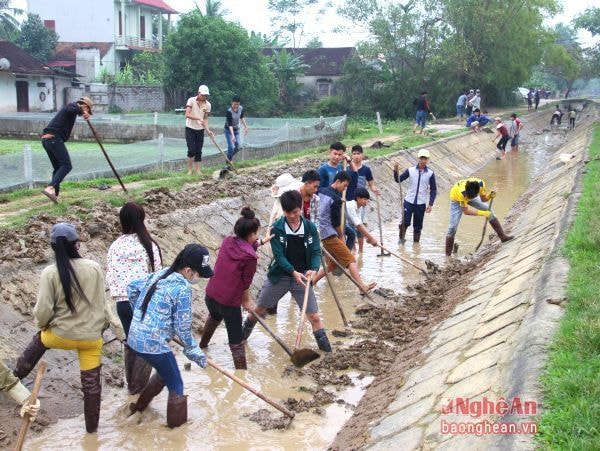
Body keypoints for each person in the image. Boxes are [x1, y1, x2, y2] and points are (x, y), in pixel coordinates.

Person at [12, 223, 109, 433]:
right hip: (91, 338)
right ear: (77, 245)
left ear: (54, 248)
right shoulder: (93, 267)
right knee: (91, 385)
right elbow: (102, 304)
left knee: (38, 342)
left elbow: (43, 310)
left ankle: (14, 381)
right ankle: (92, 432)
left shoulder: (50, 272)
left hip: (59, 336)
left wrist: (42, 325)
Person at [127, 244, 213, 428]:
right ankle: (176, 433)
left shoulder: (161, 273)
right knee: (176, 384)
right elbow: (182, 328)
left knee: (164, 373)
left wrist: (140, 315)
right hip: (152, 342)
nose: (199, 279)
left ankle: (138, 409)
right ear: (189, 271)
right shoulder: (183, 289)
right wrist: (194, 351)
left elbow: (132, 288)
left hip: (134, 336)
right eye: (199, 274)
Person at [241, 191, 332, 352]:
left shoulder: (309, 227)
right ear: (283, 210)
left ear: (301, 209)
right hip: (280, 276)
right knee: (259, 310)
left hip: (303, 276)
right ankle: (239, 341)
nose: (292, 216)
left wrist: (313, 269)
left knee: (315, 317)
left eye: (295, 212)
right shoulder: (277, 227)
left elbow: (316, 251)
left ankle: (328, 354)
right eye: (288, 212)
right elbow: (279, 256)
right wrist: (292, 272)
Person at [199, 208, 273, 369]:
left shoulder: (227, 241)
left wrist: (261, 242)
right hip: (229, 302)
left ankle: (202, 347)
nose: (257, 237)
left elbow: (243, 248)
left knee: (214, 317)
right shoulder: (251, 257)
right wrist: (246, 301)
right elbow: (245, 283)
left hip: (211, 294)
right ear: (252, 234)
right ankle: (242, 374)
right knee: (236, 342)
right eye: (257, 235)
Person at [106, 202, 162, 394]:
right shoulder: (149, 245)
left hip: (123, 304)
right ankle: (139, 390)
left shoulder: (115, 246)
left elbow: (111, 277)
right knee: (145, 347)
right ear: (142, 219)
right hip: (144, 304)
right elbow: (158, 276)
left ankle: (132, 388)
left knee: (132, 343)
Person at [312, 171, 376, 293]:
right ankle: (361, 286)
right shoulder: (336, 199)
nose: (344, 188)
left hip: (318, 231)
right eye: (344, 186)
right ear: (337, 182)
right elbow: (336, 223)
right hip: (328, 234)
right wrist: (341, 236)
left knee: (333, 265)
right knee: (350, 259)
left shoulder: (320, 191)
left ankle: (312, 282)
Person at [40, 96, 93, 203]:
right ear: (85, 106)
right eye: (88, 109)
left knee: (58, 167)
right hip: (54, 139)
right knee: (66, 165)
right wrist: (83, 111)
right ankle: (50, 187)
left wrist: (83, 112)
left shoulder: (73, 111)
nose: (87, 112)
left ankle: (54, 194)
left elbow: (72, 111)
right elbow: (71, 109)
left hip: (47, 140)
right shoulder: (72, 105)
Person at [445, 178, 513, 256]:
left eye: (472, 197)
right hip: (457, 199)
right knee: (452, 228)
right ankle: (448, 256)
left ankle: (503, 237)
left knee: (490, 211)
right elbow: (466, 211)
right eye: (469, 197)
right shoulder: (462, 193)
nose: (469, 199)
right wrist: (483, 213)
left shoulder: (481, 184)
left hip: (470, 194)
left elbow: (483, 199)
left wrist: (489, 196)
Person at [393, 149, 437, 243]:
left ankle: (416, 246)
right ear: (418, 158)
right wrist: (395, 171)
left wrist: (430, 204)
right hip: (409, 201)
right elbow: (398, 180)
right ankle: (401, 241)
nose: (423, 160)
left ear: (427, 159)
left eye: (425, 158)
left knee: (418, 226)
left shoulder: (430, 173)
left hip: (420, 204)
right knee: (405, 222)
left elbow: (433, 190)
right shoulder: (410, 170)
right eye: (421, 158)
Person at [185, 85, 214, 175]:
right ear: (199, 93)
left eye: (206, 95)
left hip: (200, 130)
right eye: (203, 95)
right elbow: (187, 114)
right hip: (190, 128)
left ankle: (198, 170)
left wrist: (208, 130)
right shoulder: (191, 100)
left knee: (198, 150)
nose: (204, 97)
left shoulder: (208, 105)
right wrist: (197, 118)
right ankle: (190, 170)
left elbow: (205, 119)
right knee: (191, 150)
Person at [346, 188, 379, 253]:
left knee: (355, 233)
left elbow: (359, 223)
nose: (366, 202)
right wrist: (371, 238)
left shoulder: (360, 207)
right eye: (365, 199)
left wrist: (368, 238)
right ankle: (350, 252)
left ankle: (358, 253)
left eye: (367, 200)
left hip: (347, 223)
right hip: (339, 222)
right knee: (351, 234)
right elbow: (357, 225)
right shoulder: (350, 206)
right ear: (358, 198)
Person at [223, 95, 249, 165]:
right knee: (231, 147)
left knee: (238, 146)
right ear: (232, 103)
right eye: (235, 104)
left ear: (239, 103)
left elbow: (241, 117)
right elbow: (230, 125)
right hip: (228, 131)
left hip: (236, 130)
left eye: (238, 104)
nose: (236, 106)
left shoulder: (240, 108)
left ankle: (228, 158)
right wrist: (232, 136)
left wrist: (246, 127)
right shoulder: (229, 111)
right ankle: (228, 162)